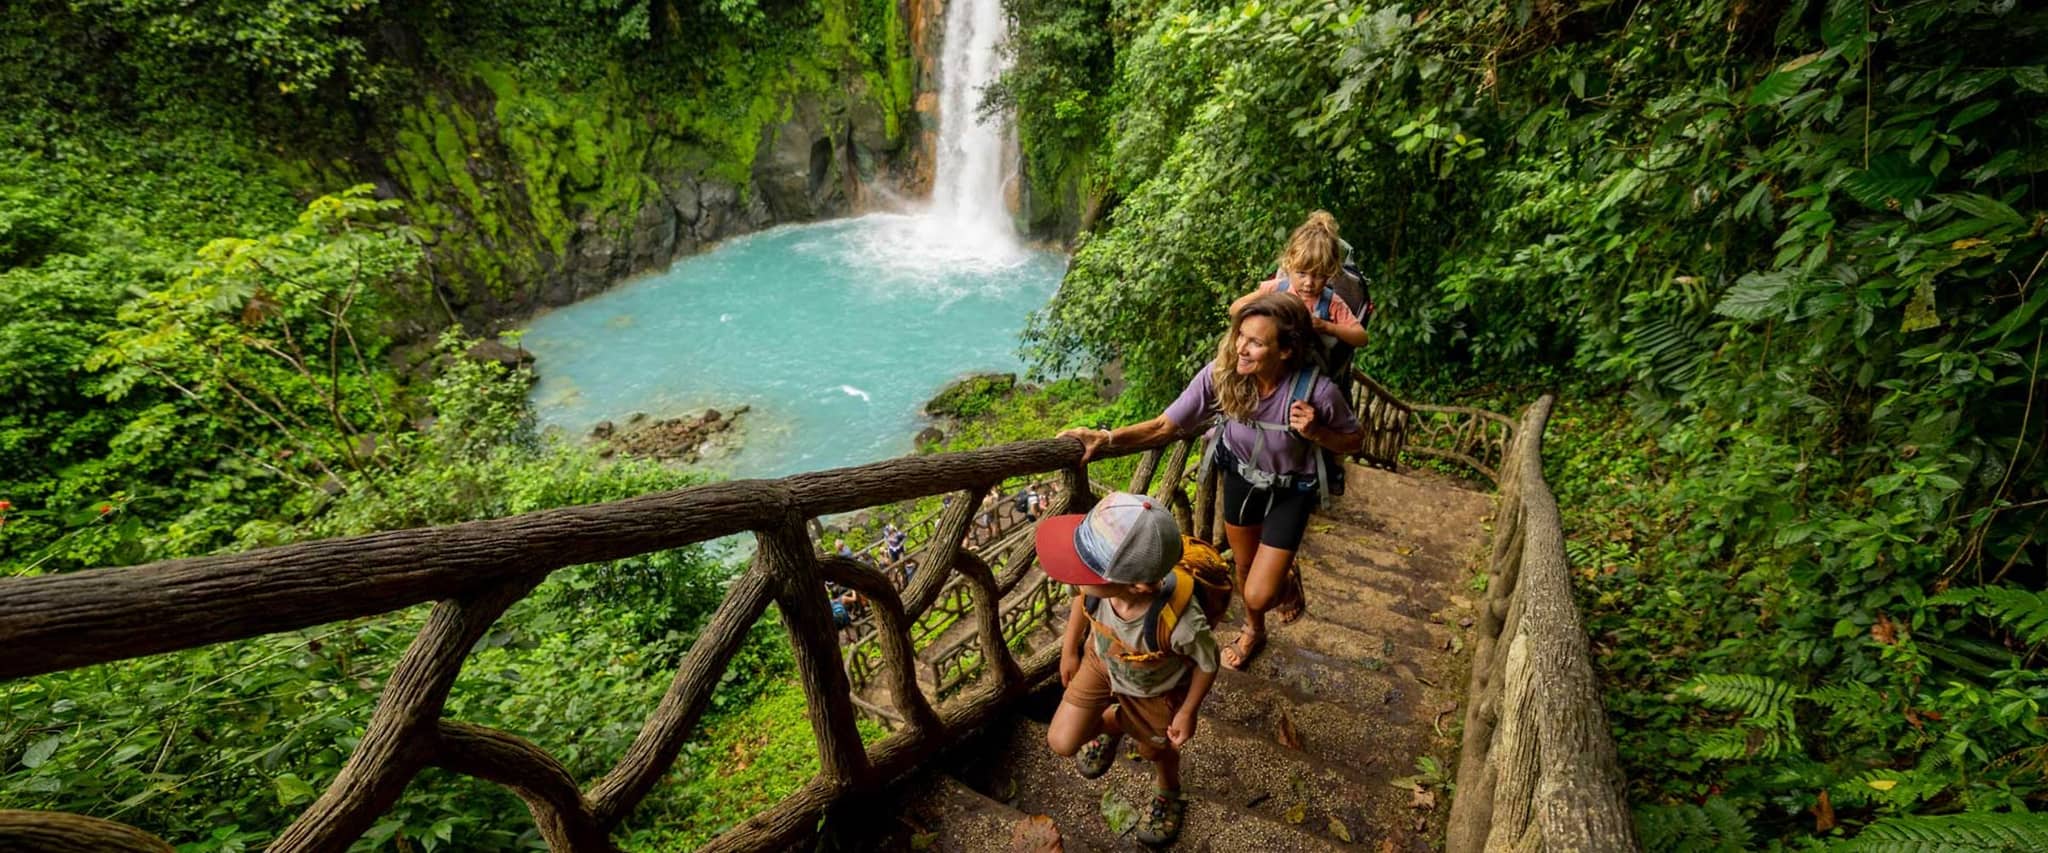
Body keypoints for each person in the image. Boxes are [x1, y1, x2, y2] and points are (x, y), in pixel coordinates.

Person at [1061, 292, 1364, 672]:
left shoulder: (1318, 392)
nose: (1241, 347)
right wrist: (1104, 438)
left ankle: (1283, 583)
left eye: (1256, 342)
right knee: (1244, 565)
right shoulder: (1222, 376)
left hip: (1292, 487)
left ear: (1286, 350)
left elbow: (1354, 440)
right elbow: (1165, 426)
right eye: (1241, 336)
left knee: (1259, 589)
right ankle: (1254, 630)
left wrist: (1318, 430)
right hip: (1240, 473)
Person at [1038, 491, 1219, 848]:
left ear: (1136, 585)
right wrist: (1069, 649)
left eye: (1085, 567)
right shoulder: (1098, 589)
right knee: (1061, 741)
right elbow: (1082, 598)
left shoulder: (1181, 624)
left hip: (1154, 689)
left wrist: (1187, 711)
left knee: (1156, 749)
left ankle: (1168, 788)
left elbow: (1207, 663)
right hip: (1101, 662)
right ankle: (1120, 722)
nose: (1074, 573)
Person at [1229, 210, 1367, 367]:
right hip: (1270, 363)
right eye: (1301, 274)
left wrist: (1327, 327)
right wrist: (1265, 310)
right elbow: (1235, 309)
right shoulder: (1277, 289)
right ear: (1289, 265)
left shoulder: (1331, 303)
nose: (1309, 283)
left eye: (1319, 276)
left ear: (1330, 273)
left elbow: (1361, 338)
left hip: (1307, 370)